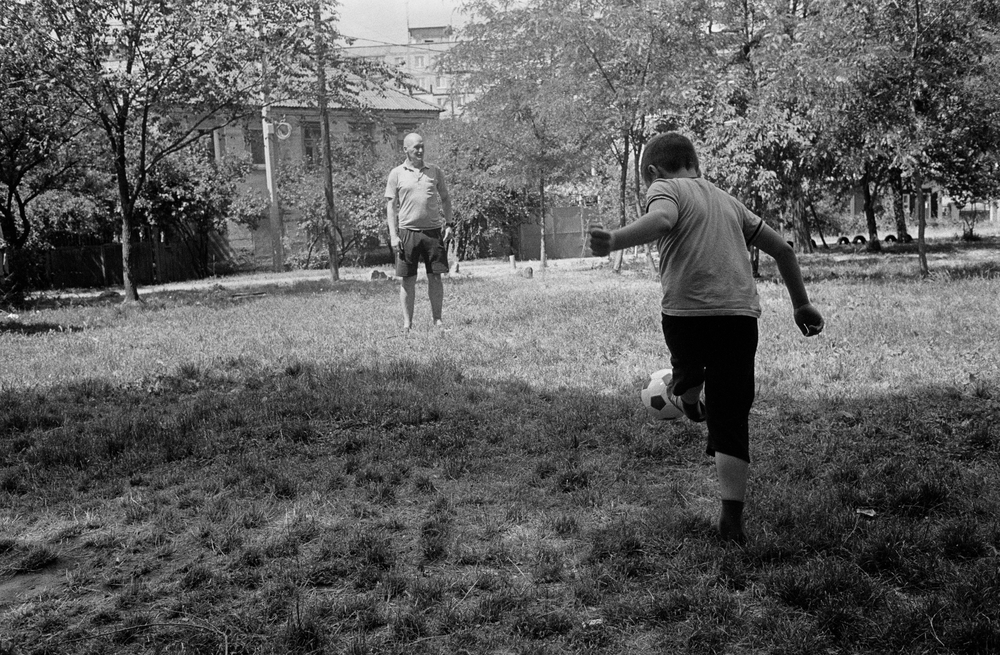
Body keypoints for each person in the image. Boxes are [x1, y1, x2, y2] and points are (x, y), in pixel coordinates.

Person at [589, 132, 824, 544]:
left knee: (687, 375)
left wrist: (615, 240)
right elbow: (784, 251)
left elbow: (663, 220)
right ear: (696, 165)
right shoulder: (728, 201)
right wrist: (801, 305)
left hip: (687, 316)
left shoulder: (665, 187)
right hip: (739, 318)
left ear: (652, 172)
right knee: (730, 416)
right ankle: (731, 518)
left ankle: (689, 391)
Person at [385, 133, 454, 331]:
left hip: (433, 232)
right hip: (408, 232)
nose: (420, 150)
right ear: (405, 149)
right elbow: (391, 206)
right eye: (416, 147)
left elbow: (446, 198)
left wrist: (449, 224)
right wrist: (393, 235)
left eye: (422, 146)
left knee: (436, 277)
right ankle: (407, 324)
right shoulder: (396, 173)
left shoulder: (435, 171)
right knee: (408, 279)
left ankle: (437, 320)